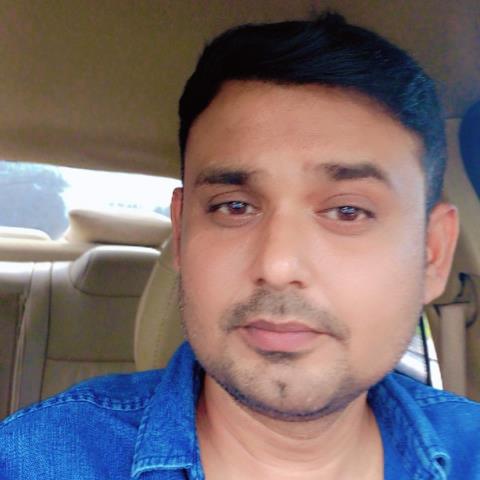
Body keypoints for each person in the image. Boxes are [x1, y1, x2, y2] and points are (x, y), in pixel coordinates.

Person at [0, 11, 478, 480]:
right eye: (234, 206)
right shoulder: (30, 462)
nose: (278, 264)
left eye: (348, 211)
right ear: (181, 235)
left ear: (432, 255)